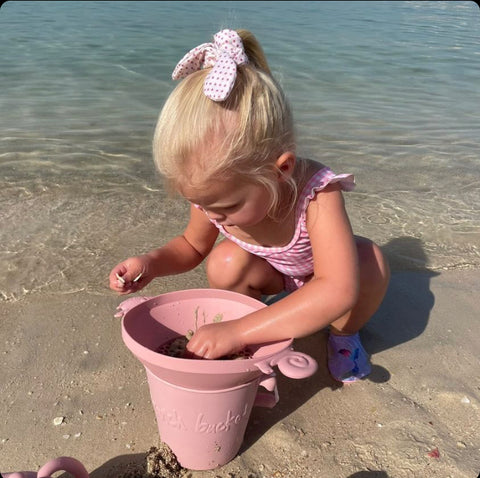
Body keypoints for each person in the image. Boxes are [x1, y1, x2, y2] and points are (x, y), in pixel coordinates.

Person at [109, 29, 390, 383]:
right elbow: (192, 245)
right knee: (224, 261)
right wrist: (150, 263)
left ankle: (343, 336)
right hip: (273, 273)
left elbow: (337, 288)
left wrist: (236, 331)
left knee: (371, 262)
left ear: (281, 170)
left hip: (327, 276)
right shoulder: (214, 196)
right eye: (199, 203)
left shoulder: (317, 194)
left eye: (226, 206)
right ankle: (260, 331)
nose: (212, 215)